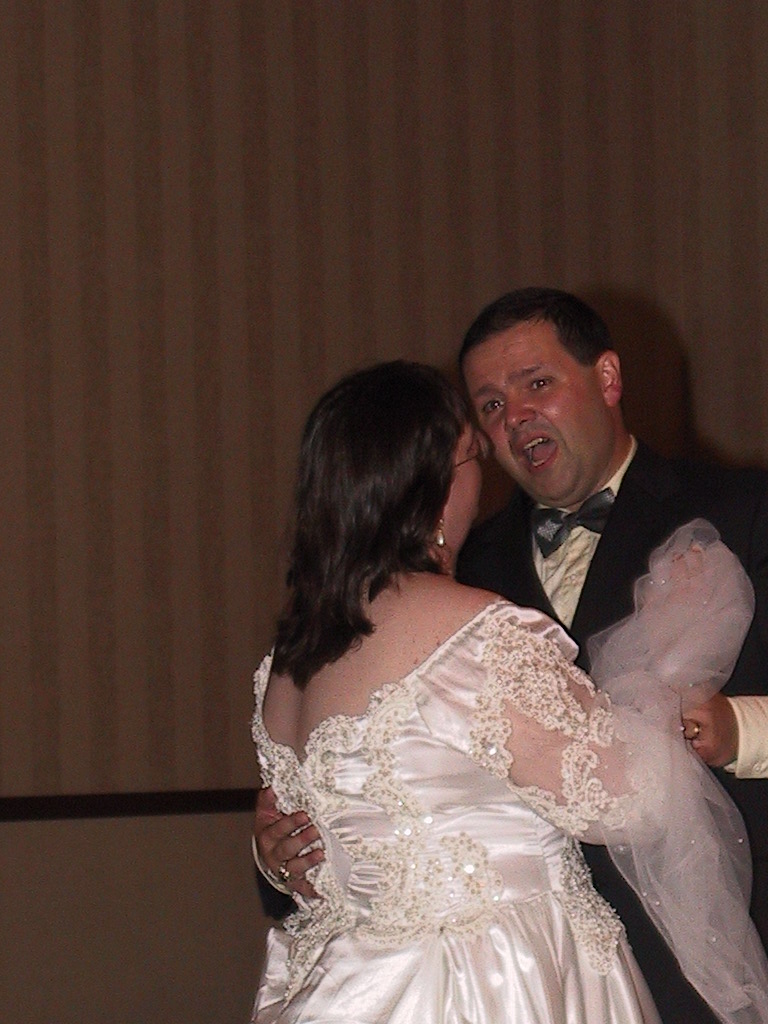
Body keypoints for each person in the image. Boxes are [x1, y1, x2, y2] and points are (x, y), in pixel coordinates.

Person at [248, 359, 767, 1024]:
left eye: (537, 383)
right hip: (489, 978)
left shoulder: (287, 661)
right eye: (473, 450)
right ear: (433, 484)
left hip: (347, 984)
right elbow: (629, 801)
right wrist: (676, 645)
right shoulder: (474, 628)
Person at [453, 287, 768, 1024]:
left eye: (537, 384)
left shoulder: (745, 510)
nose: (516, 416)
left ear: (607, 378)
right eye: (491, 405)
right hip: (535, 972)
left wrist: (741, 729)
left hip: (718, 947)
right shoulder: (464, 570)